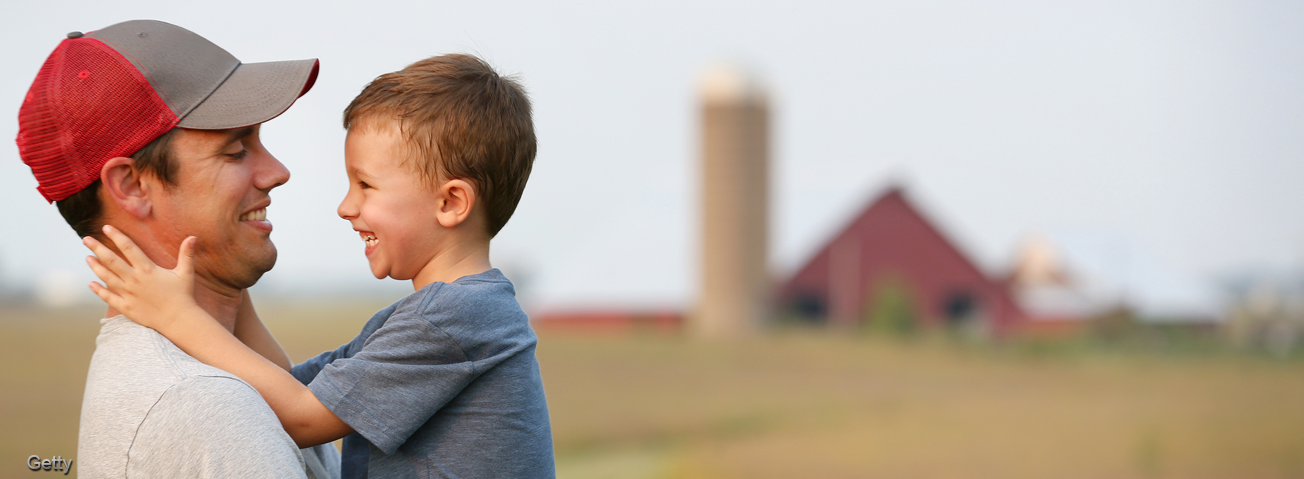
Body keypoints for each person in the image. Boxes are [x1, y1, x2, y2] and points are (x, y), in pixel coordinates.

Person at [85, 54, 556, 478]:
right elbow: (288, 386)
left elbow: (304, 416)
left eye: (366, 186)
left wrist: (176, 316)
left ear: (451, 202)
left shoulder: (456, 320)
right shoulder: (440, 316)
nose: (346, 207)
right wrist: (228, 276)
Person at [15, 20, 339, 478]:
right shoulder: (205, 405)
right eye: (235, 150)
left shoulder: (209, 375)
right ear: (131, 185)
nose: (277, 172)